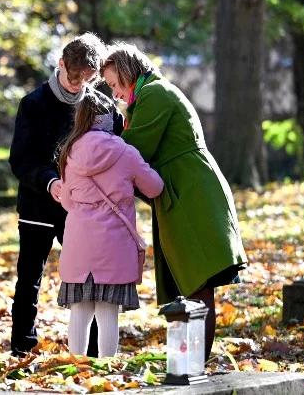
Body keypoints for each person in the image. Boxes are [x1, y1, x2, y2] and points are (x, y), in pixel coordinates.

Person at [100, 42, 247, 360]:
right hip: (178, 195)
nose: (114, 94)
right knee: (186, 284)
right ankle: (188, 361)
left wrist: (95, 149)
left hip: (192, 195)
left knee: (196, 282)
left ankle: (195, 365)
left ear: (128, 73)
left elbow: (133, 152)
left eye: (114, 84)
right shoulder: (145, 100)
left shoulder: (155, 94)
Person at [8, 33, 120, 355]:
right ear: (61, 65)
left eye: (86, 81)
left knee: (94, 279)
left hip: (84, 210)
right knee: (29, 278)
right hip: (38, 205)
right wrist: (51, 183)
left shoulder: (101, 107)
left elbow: (114, 150)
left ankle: (96, 353)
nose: (77, 86)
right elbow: (21, 160)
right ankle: (22, 348)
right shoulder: (33, 104)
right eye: (73, 78)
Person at [55, 90, 163, 357]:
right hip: (114, 244)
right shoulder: (126, 152)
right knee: (107, 312)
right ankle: (107, 370)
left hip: (79, 243)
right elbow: (155, 188)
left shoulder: (69, 152)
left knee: (80, 310)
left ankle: (76, 367)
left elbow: (67, 201)